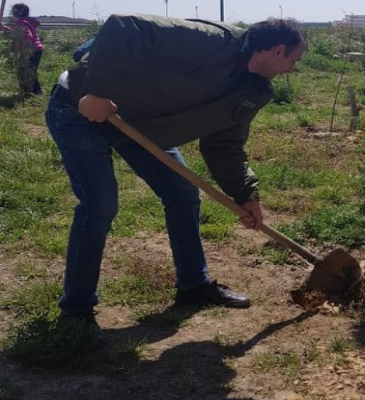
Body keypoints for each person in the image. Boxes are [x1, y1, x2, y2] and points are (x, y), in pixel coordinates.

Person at [45, 14, 306, 348]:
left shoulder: (253, 89)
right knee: (100, 204)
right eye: (293, 61)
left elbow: (224, 145)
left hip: (142, 127)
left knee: (183, 194)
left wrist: (245, 194)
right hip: (81, 109)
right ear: (278, 50)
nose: (292, 70)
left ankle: (193, 287)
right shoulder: (211, 40)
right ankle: (76, 312)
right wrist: (97, 92)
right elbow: (124, 27)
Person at [0, 3, 44, 95]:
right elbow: (19, 31)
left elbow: (26, 34)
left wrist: (24, 50)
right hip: (37, 49)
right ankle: (31, 91)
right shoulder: (27, 21)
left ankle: (33, 91)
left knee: (25, 71)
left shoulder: (20, 22)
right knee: (29, 70)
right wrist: (5, 28)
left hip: (30, 50)